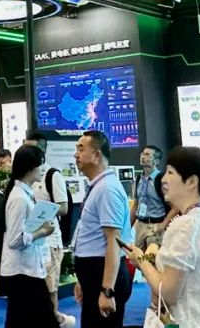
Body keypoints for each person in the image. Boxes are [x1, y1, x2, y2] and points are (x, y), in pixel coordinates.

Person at [126, 147, 200, 328]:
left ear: (191, 181)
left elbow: (168, 293)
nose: (164, 179)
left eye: (170, 173)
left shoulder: (186, 224)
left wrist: (141, 260)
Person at [72, 130, 132, 328]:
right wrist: (83, 281)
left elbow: (113, 242)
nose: (76, 154)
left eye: (81, 149)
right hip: (94, 275)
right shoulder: (98, 186)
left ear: (97, 155)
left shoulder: (107, 189)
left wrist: (107, 290)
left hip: (103, 275)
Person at [1, 145, 57, 327]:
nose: (43, 169)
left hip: (26, 269)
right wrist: (42, 231)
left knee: (20, 320)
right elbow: (15, 240)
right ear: (31, 167)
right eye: (41, 164)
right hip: (22, 272)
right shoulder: (19, 198)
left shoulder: (24, 193)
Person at [25, 133, 75, 328]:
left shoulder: (52, 175)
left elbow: (64, 207)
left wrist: (40, 211)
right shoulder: (26, 176)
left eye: (32, 148)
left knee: (50, 287)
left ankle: (56, 320)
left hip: (49, 240)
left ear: (43, 150)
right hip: (31, 239)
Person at [132, 145, 169, 253]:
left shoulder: (161, 180)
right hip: (140, 224)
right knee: (138, 258)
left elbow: (175, 207)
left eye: (147, 155)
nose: (143, 157)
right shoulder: (139, 178)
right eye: (142, 154)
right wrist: (127, 227)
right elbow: (136, 205)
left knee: (152, 258)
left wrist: (163, 225)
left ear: (156, 161)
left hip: (155, 225)